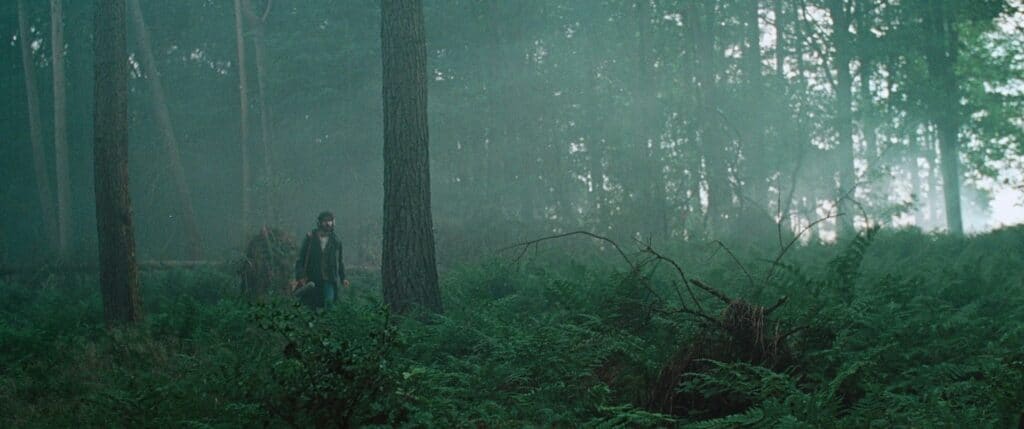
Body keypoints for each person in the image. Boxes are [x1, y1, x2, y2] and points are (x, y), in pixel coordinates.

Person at [292, 211, 349, 309]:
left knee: (329, 305)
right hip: (312, 279)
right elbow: (300, 259)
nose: (328, 224)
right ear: (319, 223)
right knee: (311, 306)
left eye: (330, 221)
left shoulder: (336, 241)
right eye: (325, 221)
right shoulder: (310, 239)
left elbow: (340, 261)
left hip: (329, 279)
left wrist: (343, 278)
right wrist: (300, 276)